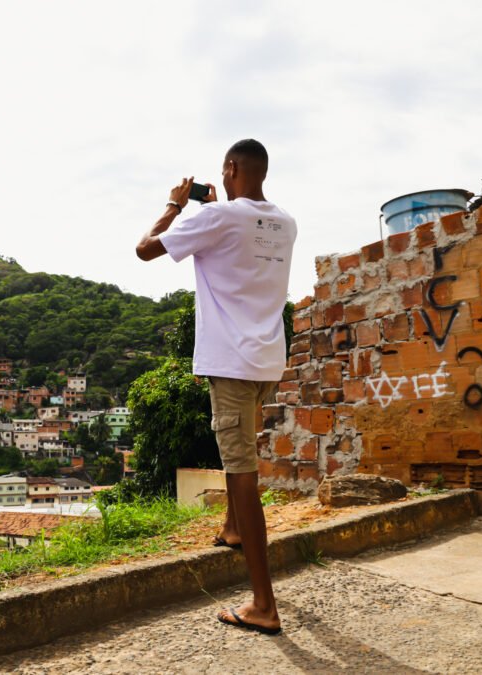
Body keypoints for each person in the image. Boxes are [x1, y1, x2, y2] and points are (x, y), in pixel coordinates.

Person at [135, 139, 296, 636]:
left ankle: (263, 604)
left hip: (231, 363)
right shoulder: (284, 223)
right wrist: (215, 205)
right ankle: (231, 529)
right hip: (269, 360)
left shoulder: (215, 219)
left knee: (241, 470)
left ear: (229, 169)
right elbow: (240, 230)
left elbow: (145, 250)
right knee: (241, 450)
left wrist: (174, 204)